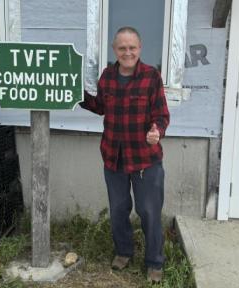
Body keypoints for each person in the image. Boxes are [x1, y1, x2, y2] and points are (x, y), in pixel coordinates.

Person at [80, 26, 170, 283]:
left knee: (149, 211)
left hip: (145, 159)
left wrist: (157, 130)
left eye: (132, 47)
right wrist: (74, 93)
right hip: (113, 157)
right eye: (122, 48)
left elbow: (162, 114)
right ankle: (123, 251)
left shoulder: (152, 77)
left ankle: (155, 261)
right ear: (114, 50)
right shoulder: (107, 76)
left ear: (139, 49)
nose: (127, 52)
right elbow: (99, 107)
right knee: (118, 209)